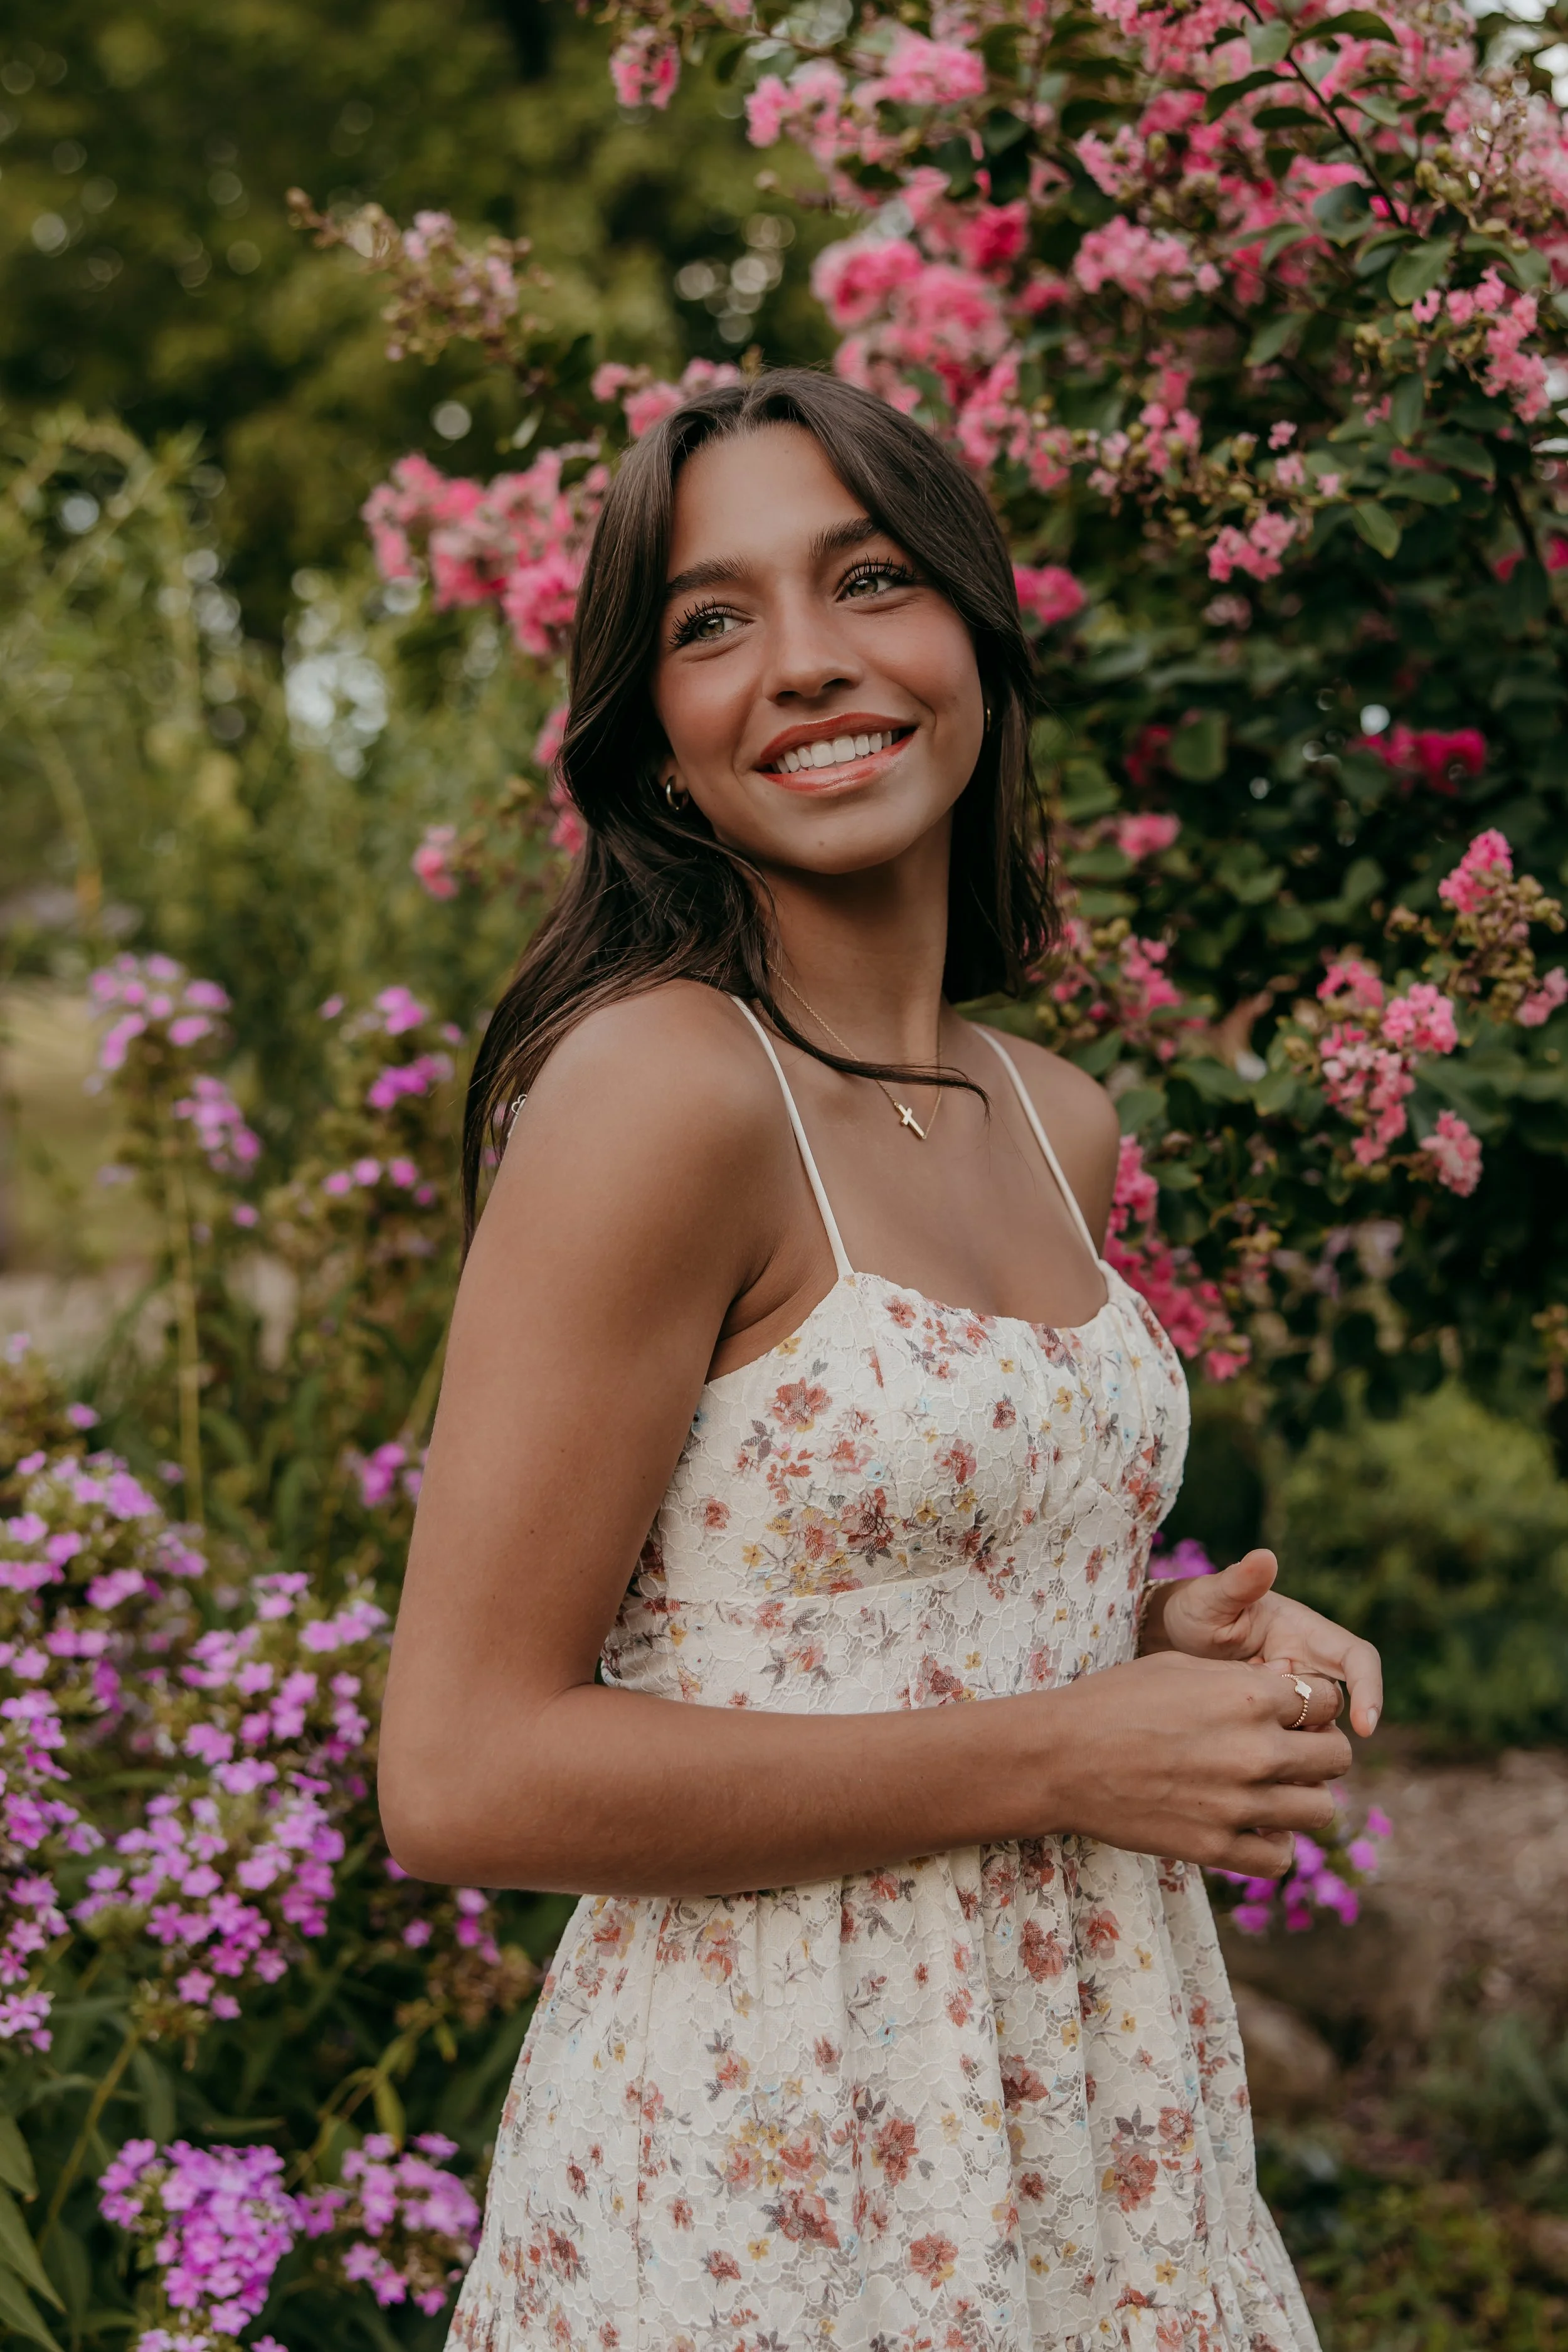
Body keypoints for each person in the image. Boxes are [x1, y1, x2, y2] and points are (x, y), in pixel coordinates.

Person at [379, 368, 1381, 2351]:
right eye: (712, 619)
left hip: (1093, 2104)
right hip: (781, 2152)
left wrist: (1163, 1667)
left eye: (868, 579)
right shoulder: (658, 1092)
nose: (809, 663)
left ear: (978, 644)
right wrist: (1063, 1750)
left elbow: (835, 1601)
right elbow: (463, 1767)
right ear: (655, 741)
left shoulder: (1052, 1114)